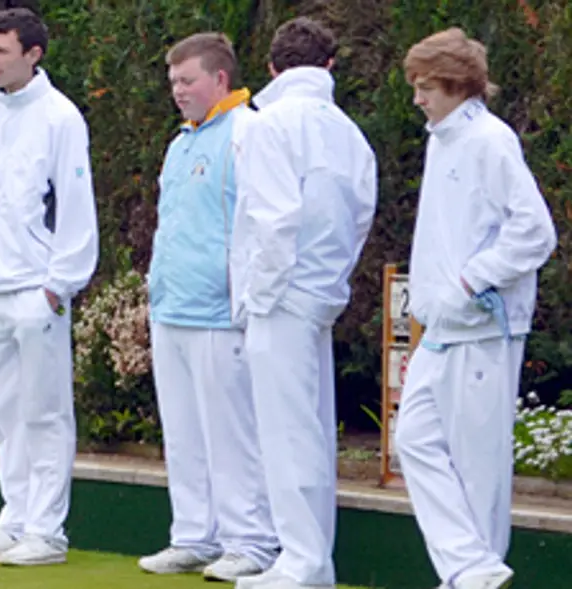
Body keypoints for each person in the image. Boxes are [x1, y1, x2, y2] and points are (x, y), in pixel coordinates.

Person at [395, 28, 556, 589]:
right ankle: (472, 566)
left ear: (457, 84)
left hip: (485, 324)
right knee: (412, 439)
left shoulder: (490, 140)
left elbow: (535, 232)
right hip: (444, 327)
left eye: (426, 86)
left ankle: (475, 572)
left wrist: (469, 281)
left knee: (477, 465)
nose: (417, 98)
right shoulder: (442, 141)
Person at [229, 17, 377, 589]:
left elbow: (272, 219)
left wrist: (259, 296)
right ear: (329, 65)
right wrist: (332, 281)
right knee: (307, 430)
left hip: (283, 296)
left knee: (286, 433)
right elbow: (359, 218)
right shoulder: (348, 132)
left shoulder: (268, 124)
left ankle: (303, 563)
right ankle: (310, 559)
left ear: (272, 67)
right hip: (319, 294)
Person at [0, 7, 98, 566]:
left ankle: (47, 531)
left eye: (2, 51)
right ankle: (14, 521)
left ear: (33, 54)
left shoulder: (61, 117)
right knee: (6, 415)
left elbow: (76, 205)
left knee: (46, 413)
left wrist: (58, 286)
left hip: (34, 290)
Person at [136, 32, 278, 582]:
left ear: (220, 79)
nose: (178, 90)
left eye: (187, 80)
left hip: (222, 313)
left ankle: (251, 541)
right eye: (173, 81)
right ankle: (194, 536)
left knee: (232, 435)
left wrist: (246, 296)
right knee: (184, 434)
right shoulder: (180, 143)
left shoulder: (248, 131)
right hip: (172, 309)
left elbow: (264, 222)